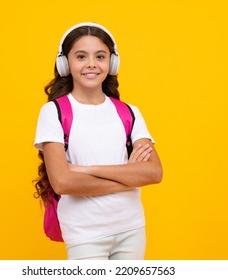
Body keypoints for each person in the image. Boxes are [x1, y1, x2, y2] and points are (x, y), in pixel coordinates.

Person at [34, 22, 163, 260]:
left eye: (100, 56)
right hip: (85, 233)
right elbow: (62, 182)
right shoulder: (53, 112)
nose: (91, 64)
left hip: (132, 228)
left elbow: (154, 173)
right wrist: (129, 177)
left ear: (111, 63)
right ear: (66, 64)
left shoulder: (129, 112)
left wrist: (85, 170)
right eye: (81, 56)